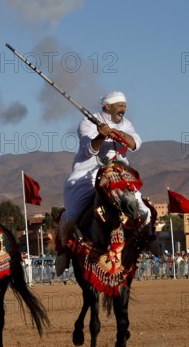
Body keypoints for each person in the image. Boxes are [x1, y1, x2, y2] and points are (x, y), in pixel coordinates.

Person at [54, 91, 152, 276]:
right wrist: (100, 136)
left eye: (124, 105)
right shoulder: (87, 123)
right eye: (120, 105)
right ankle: (64, 252)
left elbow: (135, 143)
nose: (124, 108)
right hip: (86, 175)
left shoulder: (126, 123)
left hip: (118, 174)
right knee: (72, 215)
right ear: (108, 107)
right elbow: (89, 150)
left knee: (144, 210)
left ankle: (146, 241)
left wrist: (117, 133)